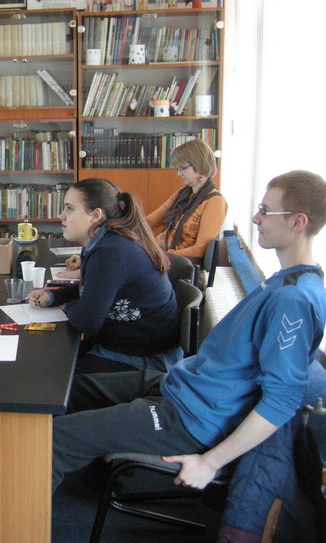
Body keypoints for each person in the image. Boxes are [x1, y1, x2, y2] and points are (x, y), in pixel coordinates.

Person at [52, 170, 326, 500]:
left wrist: (210, 462)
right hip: (180, 386)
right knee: (64, 392)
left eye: (266, 211)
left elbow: (282, 399)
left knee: (53, 439)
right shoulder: (283, 281)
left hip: (192, 417)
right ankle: (92, 477)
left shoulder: (295, 300)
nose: (256, 218)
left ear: (297, 222)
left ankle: (21, 526)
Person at [27, 178, 181, 383]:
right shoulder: (106, 241)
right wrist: (53, 296)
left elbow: (86, 322)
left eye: (70, 208)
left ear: (95, 215)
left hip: (146, 360)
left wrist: (67, 306)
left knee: (52, 382)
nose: (61, 215)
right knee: (48, 363)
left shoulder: (111, 252)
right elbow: (95, 287)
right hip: (127, 345)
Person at [145, 139, 228, 265]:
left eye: (183, 168)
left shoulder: (215, 201)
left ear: (199, 165)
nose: (179, 174)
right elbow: (150, 222)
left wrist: (161, 255)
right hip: (164, 259)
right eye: (177, 169)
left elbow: (199, 250)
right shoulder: (181, 194)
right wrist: (122, 226)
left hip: (180, 265)